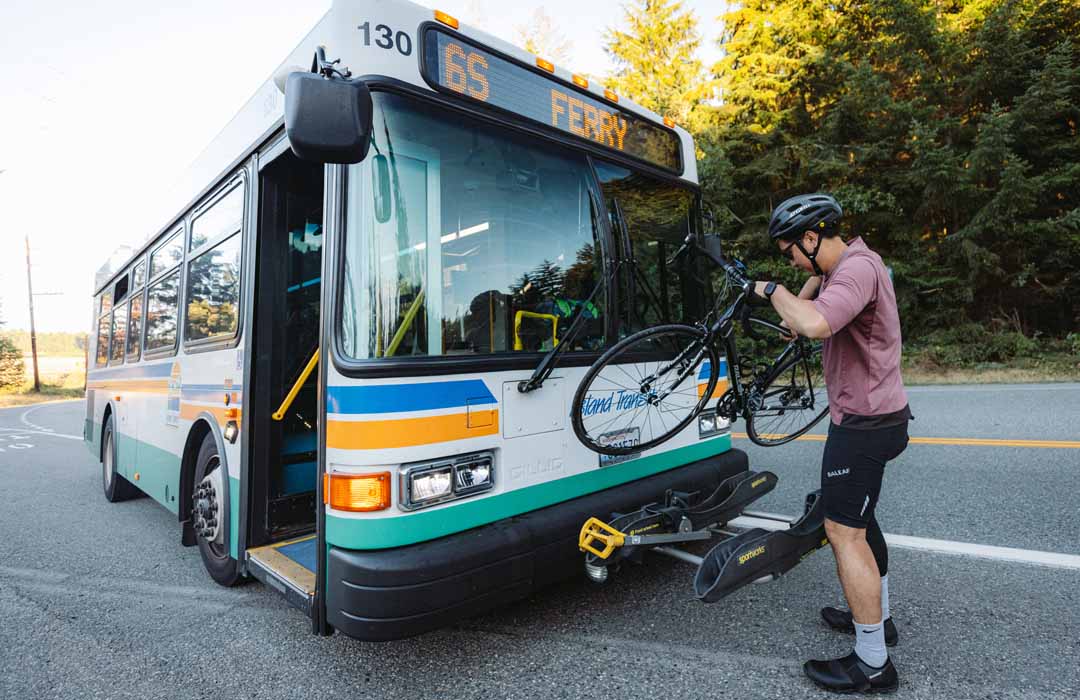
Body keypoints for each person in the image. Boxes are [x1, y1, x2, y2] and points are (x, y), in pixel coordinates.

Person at [752, 193, 912, 694]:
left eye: (791, 251)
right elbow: (817, 291)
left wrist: (771, 290)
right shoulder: (851, 263)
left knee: (844, 533)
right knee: (860, 523)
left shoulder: (858, 270)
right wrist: (794, 303)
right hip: (876, 418)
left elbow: (818, 322)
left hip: (863, 426)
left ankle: (872, 663)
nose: (793, 261)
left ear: (812, 236)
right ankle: (877, 621)